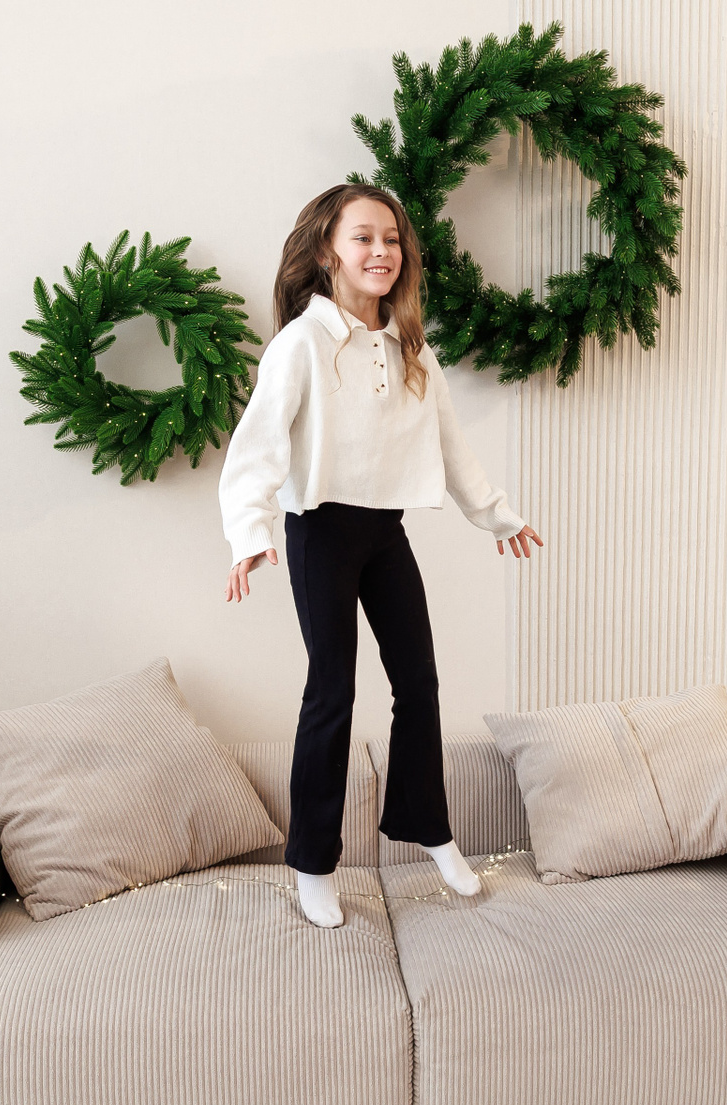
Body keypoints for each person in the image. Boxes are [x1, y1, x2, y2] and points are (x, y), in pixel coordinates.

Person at [219, 183, 543, 929]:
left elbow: (450, 446)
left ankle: (429, 828)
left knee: (418, 682)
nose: (381, 251)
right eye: (363, 237)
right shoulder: (301, 344)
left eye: (391, 239)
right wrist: (250, 534)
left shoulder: (408, 347)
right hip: (320, 532)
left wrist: (496, 515)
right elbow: (256, 448)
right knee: (332, 691)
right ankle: (313, 863)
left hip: (384, 531)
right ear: (327, 251)